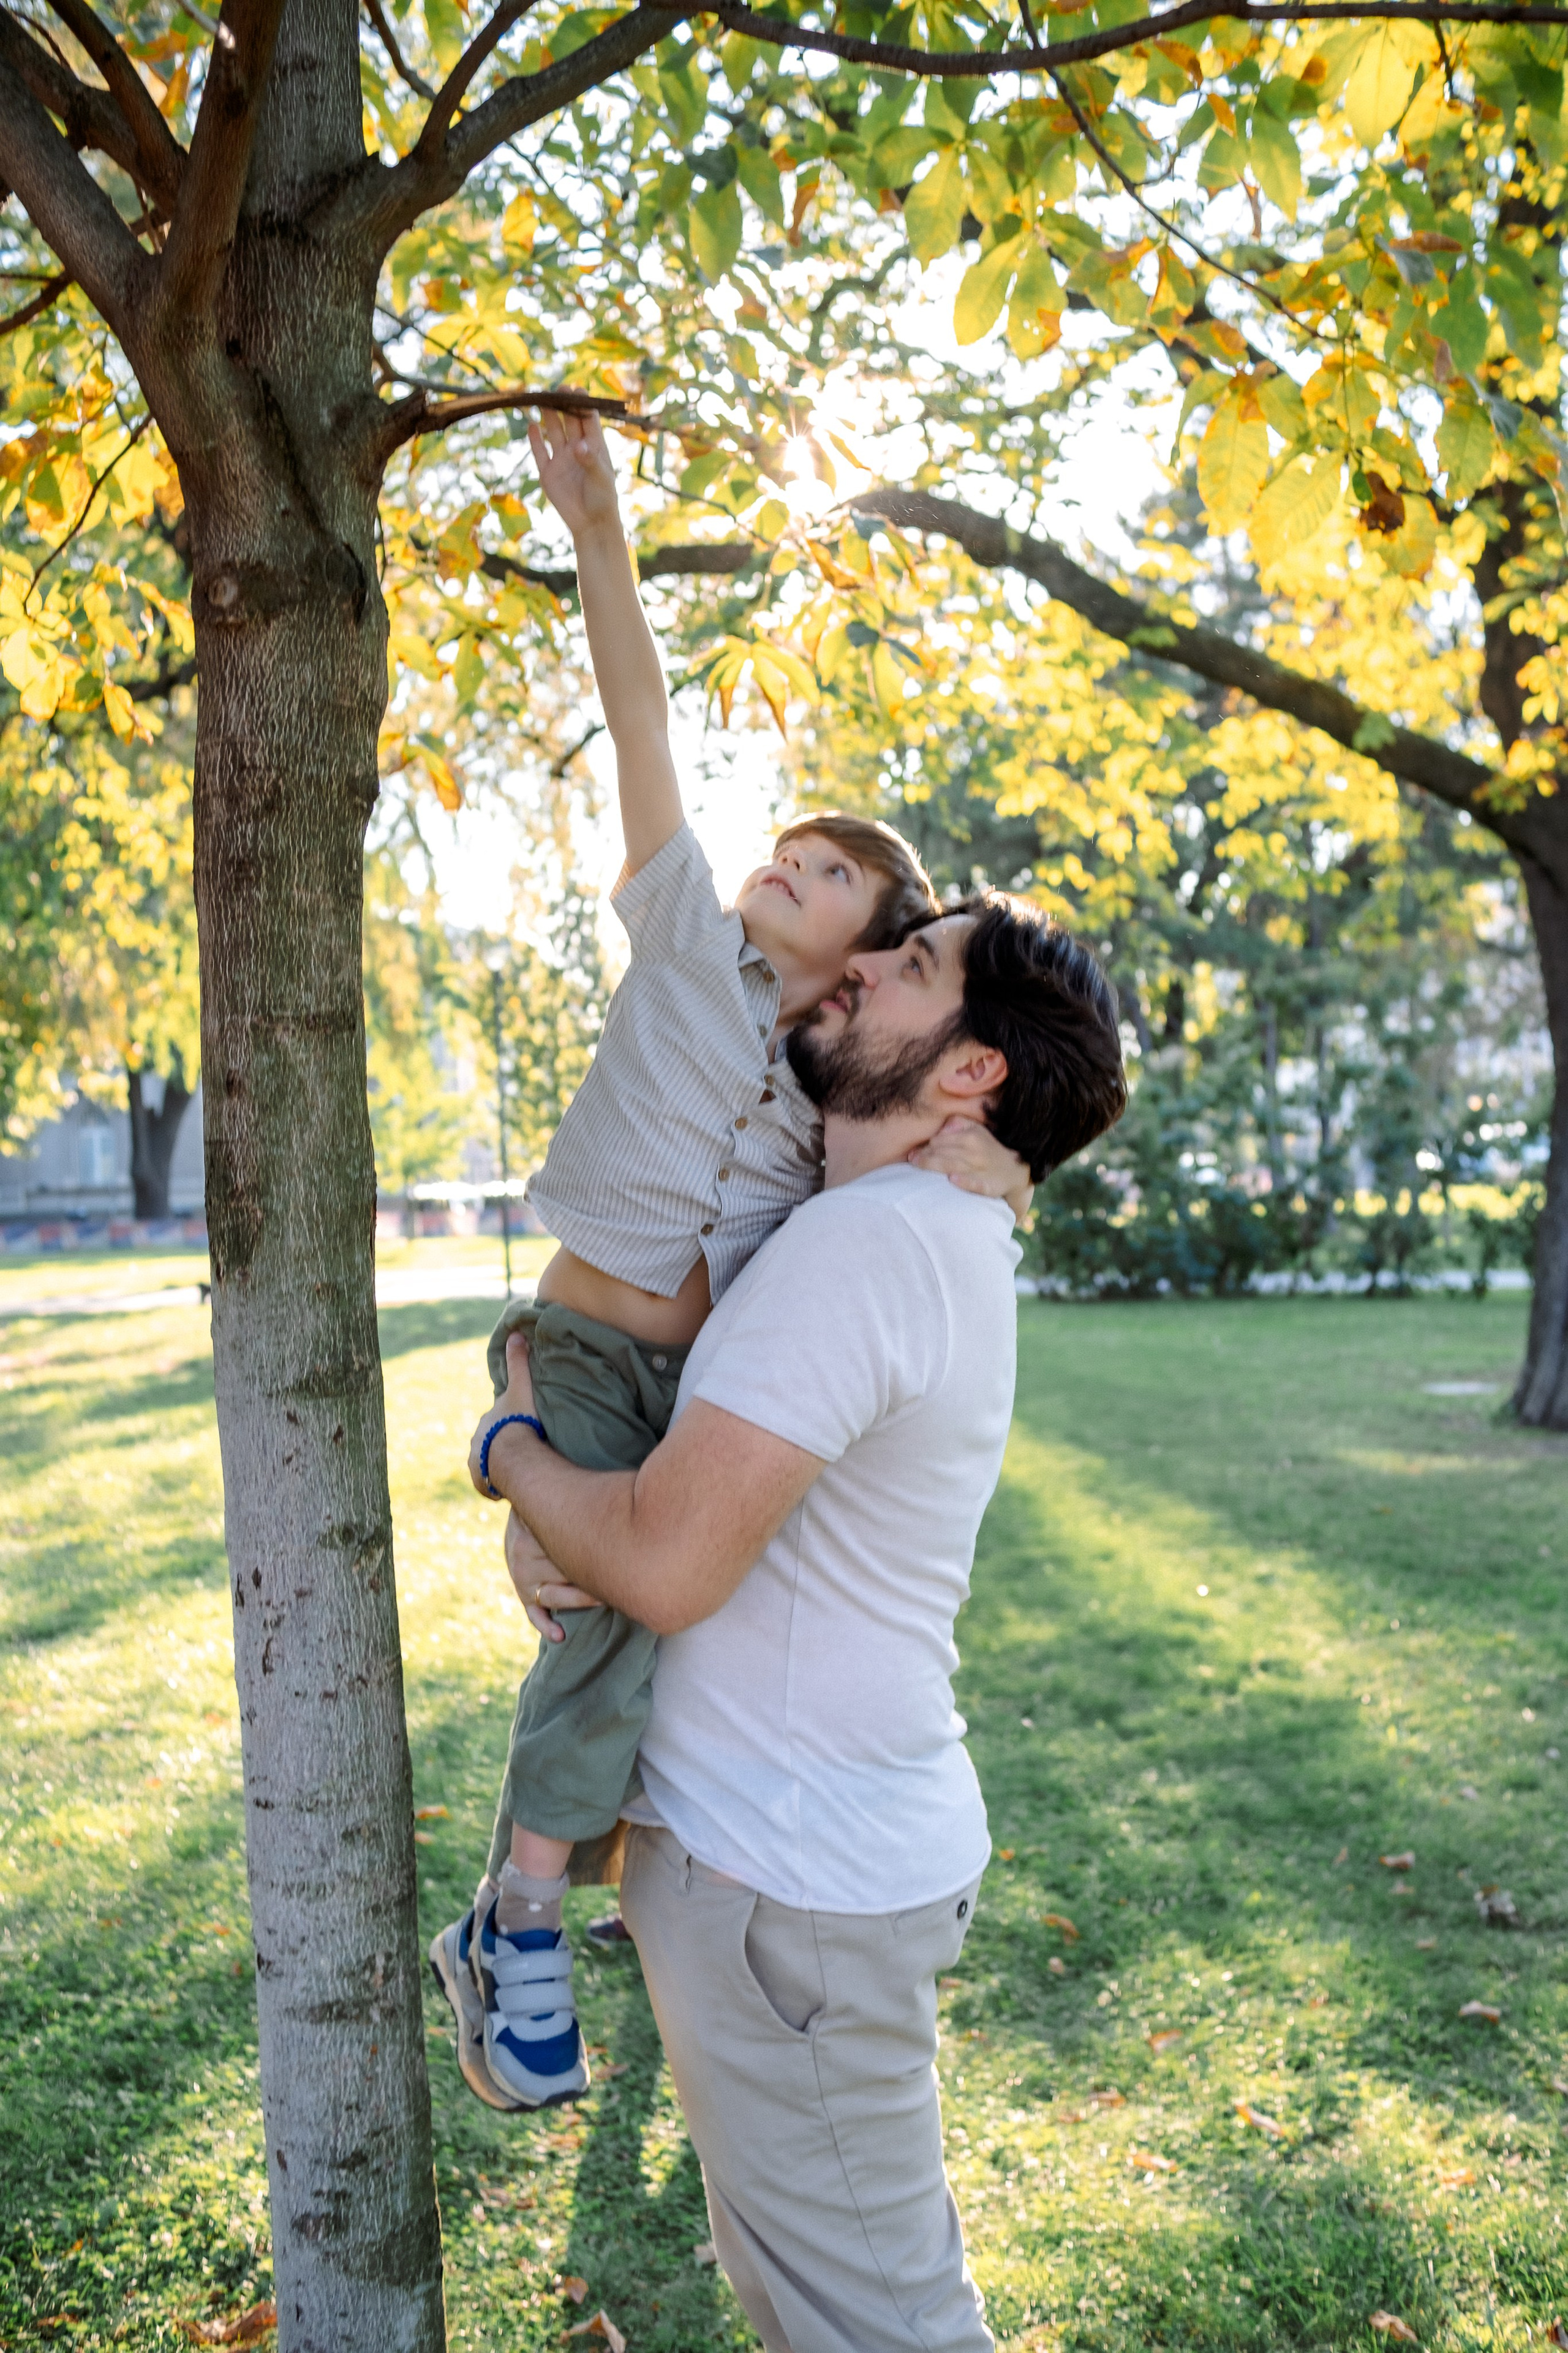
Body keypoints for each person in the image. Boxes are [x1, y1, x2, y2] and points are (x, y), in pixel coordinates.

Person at [429, 409, 1032, 2113]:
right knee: (611, 1632)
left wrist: (999, 1165)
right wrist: (598, 531)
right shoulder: (684, 944)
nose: (790, 862)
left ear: (862, 965)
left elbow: (943, 1150)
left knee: (656, 1620)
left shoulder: (834, 1088)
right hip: (582, 1347)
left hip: (684, 1383)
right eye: (797, 844)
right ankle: (515, 1916)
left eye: (830, 874)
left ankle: (597, 1886)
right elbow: (642, 722)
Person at [470, 889, 1127, 2352]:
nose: (858, 969)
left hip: (792, 1888)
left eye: (909, 965)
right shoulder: (909, 1226)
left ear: (970, 1070)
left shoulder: (870, 1248)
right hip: (804, 1873)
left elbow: (662, 1565)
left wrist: (511, 1454)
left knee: (884, 2326)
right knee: (813, 2303)